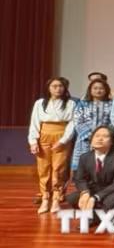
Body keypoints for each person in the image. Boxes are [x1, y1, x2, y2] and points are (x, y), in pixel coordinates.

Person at [28, 77, 75, 214]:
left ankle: (56, 199)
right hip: (44, 135)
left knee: (59, 169)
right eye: (54, 86)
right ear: (48, 88)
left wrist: (63, 140)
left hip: (61, 135)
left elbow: (72, 123)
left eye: (60, 86)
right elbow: (34, 123)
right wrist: (33, 142)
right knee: (43, 169)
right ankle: (45, 198)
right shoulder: (40, 103)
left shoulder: (70, 103)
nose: (58, 89)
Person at [66, 125, 114, 213]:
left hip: (112, 191)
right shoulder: (84, 157)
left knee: (109, 201)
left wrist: (96, 197)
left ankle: (97, 212)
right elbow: (80, 179)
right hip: (94, 189)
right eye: (97, 136)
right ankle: (94, 209)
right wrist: (85, 193)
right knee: (72, 198)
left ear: (112, 142)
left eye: (105, 136)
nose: (99, 139)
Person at [71, 79, 113, 171]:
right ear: (90, 90)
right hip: (85, 140)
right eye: (95, 88)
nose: (98, 90)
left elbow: (113, 121)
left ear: (106, 90)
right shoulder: (82, 104)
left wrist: (103, 135)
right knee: (84, 168)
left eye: (101, 88)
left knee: (103, 167)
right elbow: (78, 121)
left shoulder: (111, 104)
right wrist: (91, 136)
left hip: (104, 140)